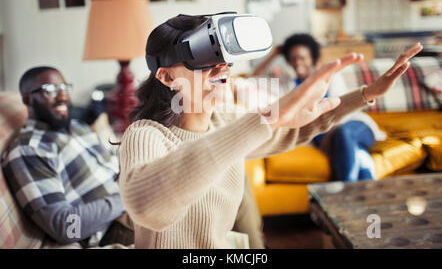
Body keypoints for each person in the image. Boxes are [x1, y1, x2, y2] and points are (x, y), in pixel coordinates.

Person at [118, 14, 422, 248]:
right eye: (204, 61)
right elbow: (149, 207)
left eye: (224, 61)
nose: (221, 70)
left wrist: (367, 93)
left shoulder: (226, 120)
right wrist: (263, 120)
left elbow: (294, 127)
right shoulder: (145, 135)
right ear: (167, 76)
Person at [1, 67, 134, 247]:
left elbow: (115, 164)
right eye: (50, 90)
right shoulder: (28, 150)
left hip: (133, 203)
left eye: (64, 88)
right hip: (115, 226)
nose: (62, 96)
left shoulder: (79, 127)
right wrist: (131, 196)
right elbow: (65, 226)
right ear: (27, 99)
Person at [281, 33, 387, 181]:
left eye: (302, 58)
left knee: (344, 133)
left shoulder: (330, 77)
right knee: (358, 156)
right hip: (322, 136)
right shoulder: (287, 85)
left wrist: (332, 132)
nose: (298, 63)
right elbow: (252, 78)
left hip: (354, 126)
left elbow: (346, 107)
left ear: (312, 58)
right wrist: (273, 54)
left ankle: (346, 191)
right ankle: (359, 197)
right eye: (293, 59)